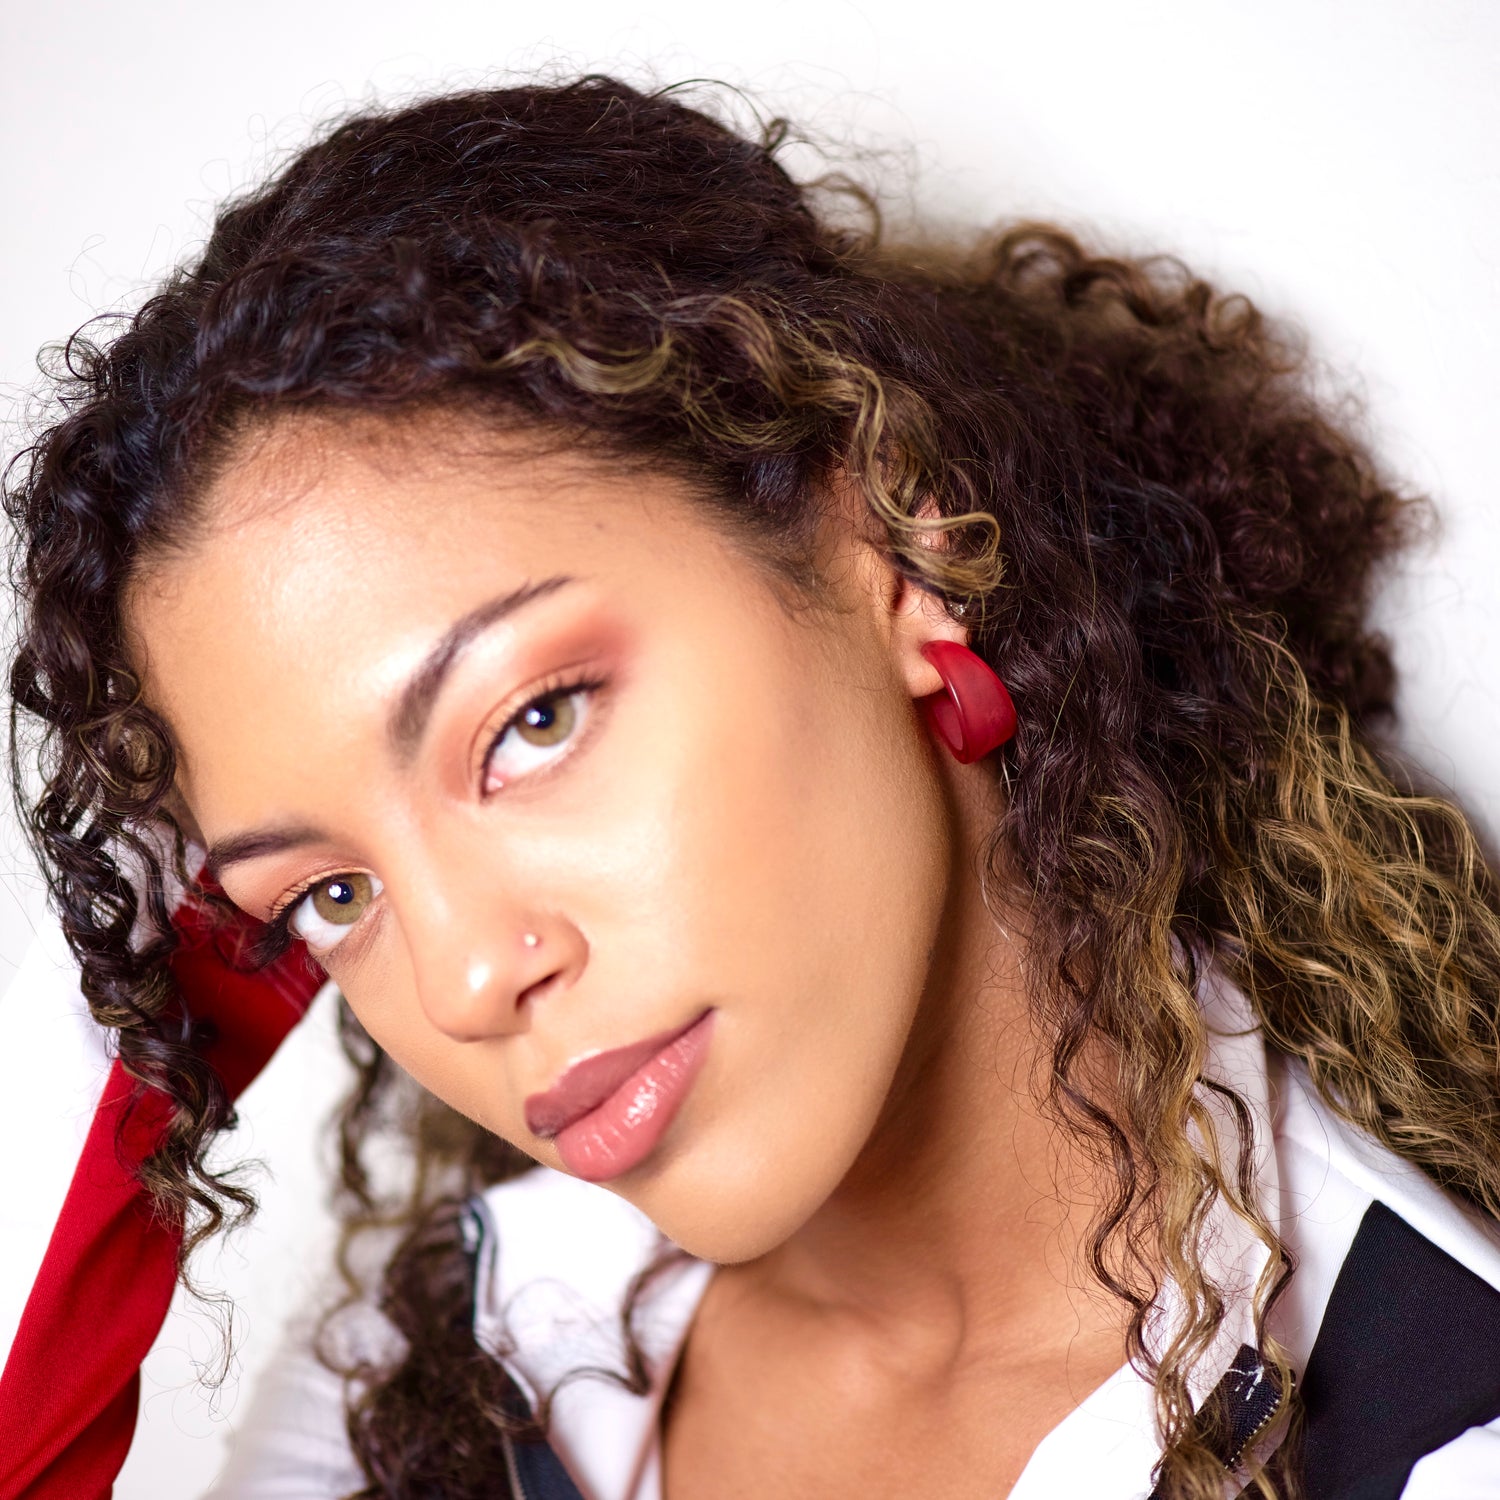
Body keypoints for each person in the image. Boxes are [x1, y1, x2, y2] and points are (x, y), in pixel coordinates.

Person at [4, 75, 1500, 1500]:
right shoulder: (428, 1377)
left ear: (895, 539)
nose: (462, 983)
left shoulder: (1436, 1431)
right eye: (333, 895)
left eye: (533, 722)